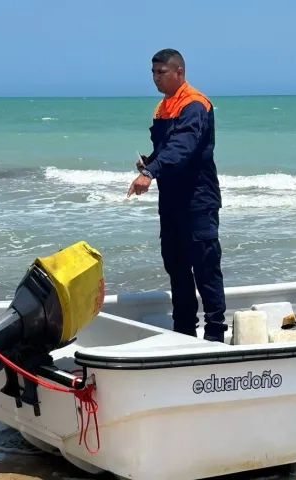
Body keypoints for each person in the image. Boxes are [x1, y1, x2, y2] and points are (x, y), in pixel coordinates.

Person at [127, 48, 227, 343]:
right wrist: (151, 161)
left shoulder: (195, 104)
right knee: (176, 266)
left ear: (179, 72)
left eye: (162, 73)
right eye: (153, 73)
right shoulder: (162, 108)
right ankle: (184, 330)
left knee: (206, 267)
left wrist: (150, 172)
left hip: (198, 199)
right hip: (170, 201)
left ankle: (214, 334)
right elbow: (168, 147)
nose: (156, 79)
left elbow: (184, 146)